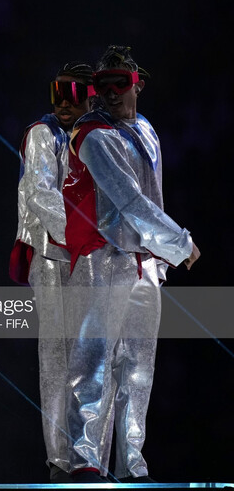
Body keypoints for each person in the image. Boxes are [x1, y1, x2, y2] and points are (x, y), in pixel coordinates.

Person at [61, 45, 201, 483]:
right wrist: (180, 243)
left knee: (139, 370)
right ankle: (85, 457)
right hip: (104, 258)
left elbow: (151, 198)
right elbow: (129, 200)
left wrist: (161, 254)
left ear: (136, 84)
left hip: (144, 265)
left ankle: (132, 462)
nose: (110, 94)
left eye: (120, 84)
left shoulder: (146, 129)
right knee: (95, 361)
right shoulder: (91, 135)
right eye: (103, 87)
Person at [9, 62, 95, 483]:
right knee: (58, 358)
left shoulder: (97, 139)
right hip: (55, 255)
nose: (64, 100)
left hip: (89, 257)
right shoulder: (44, 135)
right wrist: (82, 239)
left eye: (73, 93)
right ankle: (60, 458)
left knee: (93, 358)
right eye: (58, 91)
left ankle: (89, 456)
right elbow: (41, 194)